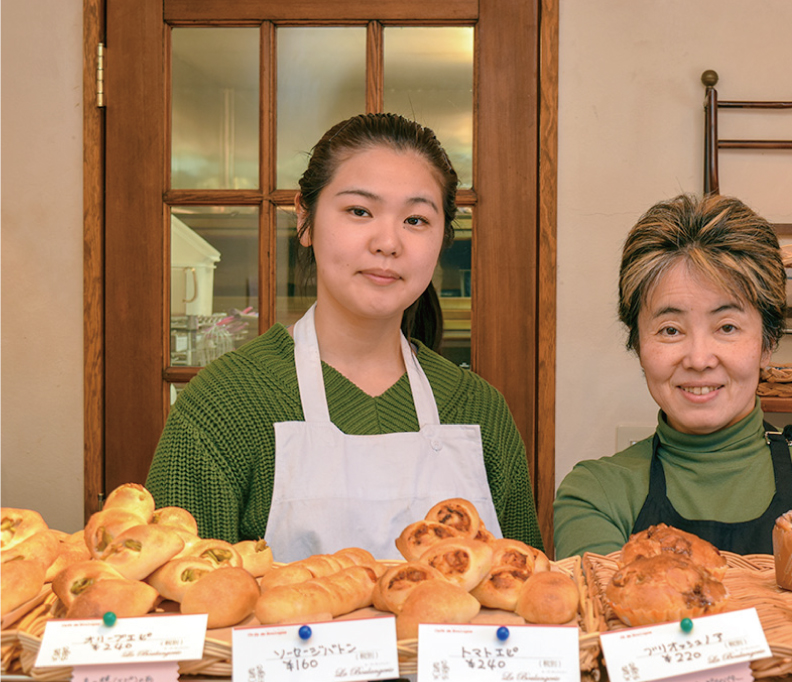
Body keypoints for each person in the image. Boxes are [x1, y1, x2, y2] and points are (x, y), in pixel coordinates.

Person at [147, 113, 542, 562]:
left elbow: (529, 599)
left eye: (416, 220)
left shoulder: (479, 411)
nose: (388, 242)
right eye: (359, 211)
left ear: (441, 238)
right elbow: (176, 610)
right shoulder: (225, 405)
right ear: (305, 219)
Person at [553, 193, 792, 559]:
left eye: (727, 327)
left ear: (767, 343)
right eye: (670, 330)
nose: (698, 359)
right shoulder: (595, 494)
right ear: (638, 346)